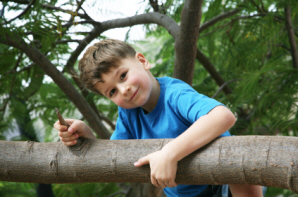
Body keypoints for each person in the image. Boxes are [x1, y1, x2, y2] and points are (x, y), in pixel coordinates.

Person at [54, 39, 264, 197]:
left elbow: (223, 116)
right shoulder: (128, 113)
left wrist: (169, 154)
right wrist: (87, 137)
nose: (123, 90)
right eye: (112, 92)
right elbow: (116, 155)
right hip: (185, 195)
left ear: (143, 61)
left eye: (123, 76)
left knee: (240, 168)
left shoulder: (175, 95)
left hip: (225, 185)